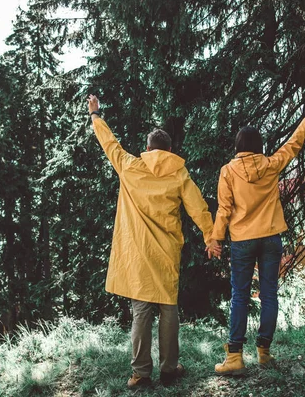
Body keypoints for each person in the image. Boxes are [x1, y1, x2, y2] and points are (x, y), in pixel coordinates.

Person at [87, 95, 220, 388]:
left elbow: (110, 145)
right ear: (170, 150)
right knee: (168, 309)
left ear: (147, 149)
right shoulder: (179, 172)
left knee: (141, 313)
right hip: (167, 253)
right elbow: (198, 207)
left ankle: (141, 374)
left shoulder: (130, 166)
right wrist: (211, 237)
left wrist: (96, 115)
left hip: (138, 254)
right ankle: (169, 369)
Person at [212, 97, 305, 375]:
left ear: (238, 147)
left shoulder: (228, 171)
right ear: (259, 147)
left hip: (242, 240)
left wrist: (215, 239)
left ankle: (235, 357)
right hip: (271, 238)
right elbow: (293, 146)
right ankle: (264, 352)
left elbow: (224, 209)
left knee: (239, 296)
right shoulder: (271, 164)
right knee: (269, 294)